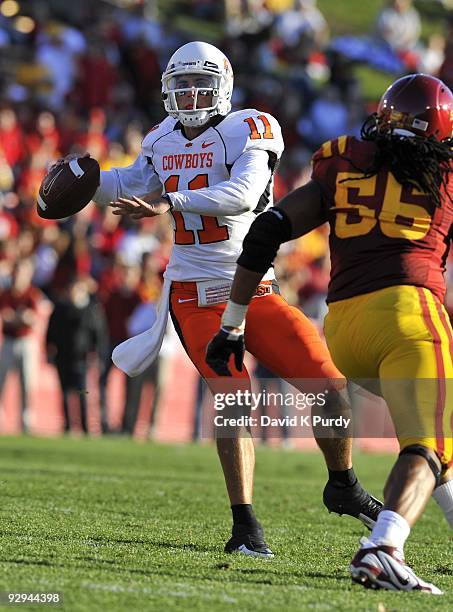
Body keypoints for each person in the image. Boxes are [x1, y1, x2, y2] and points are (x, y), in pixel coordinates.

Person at [85, 41, 380, 557]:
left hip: (255, 289)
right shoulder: (160, 138)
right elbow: (128, 182)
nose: (190, 94)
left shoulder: (252, 126)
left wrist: (168, 201)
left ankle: (343, 483)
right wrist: (84, 180)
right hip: (194, 295)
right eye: (180, 86)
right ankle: (245, 524)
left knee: (329, 385)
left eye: (199, 83)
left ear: (222, 86)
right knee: (234, 401)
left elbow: (241, 195)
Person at [206, 73, 453, 592]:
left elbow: (268, 228)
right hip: (408, 314)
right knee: (426, 443)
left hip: (343, 328)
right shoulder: (448, 173)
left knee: (442, 436)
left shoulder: (342, 160)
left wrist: (232, 322)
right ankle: (382, 547)